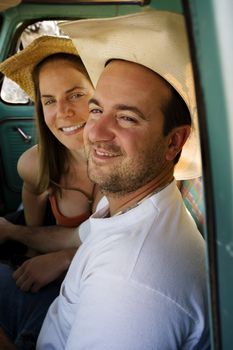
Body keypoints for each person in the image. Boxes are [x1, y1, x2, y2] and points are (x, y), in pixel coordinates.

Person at [36, 10, 210, 349]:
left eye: (127, 117)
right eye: (98, 109)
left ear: (173, 142)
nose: (95, 131)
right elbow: (81, 237)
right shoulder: (128, 200)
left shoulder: (132, 285)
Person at [0, 35, 100, 348]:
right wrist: (25, 238)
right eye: (49, 100)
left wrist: (66, 258)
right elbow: (33, 193)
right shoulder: (35, 164)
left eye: (76, 95)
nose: (63, 112)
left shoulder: (125, 171)